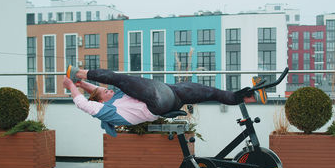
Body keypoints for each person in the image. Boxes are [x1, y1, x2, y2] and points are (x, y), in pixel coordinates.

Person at [63, 66, 254, 136]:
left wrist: (81, 84)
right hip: (157, 103)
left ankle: (243, 96)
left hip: (172, 97)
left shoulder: (115, 97)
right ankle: (78, 70)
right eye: (106, 92)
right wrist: (71, 84)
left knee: (209, 92)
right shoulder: (108, 112)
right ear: (101, 100)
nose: (110, 91)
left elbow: (96, 91)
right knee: (119, 78)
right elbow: (84, 103)